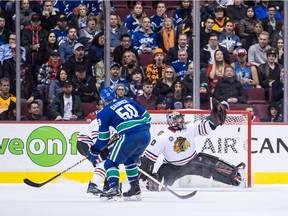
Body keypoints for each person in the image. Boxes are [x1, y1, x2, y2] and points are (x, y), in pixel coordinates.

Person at [140, 106, 246, 190]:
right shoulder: (162, 136)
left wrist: (214, 120)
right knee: (156, 184)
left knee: (213, 166)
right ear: (172, 121)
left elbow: (204, 127)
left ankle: (237, 177)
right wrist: (146, 174)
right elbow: (149, 158)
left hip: (192, 160)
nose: (181, 120)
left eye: (181, 118)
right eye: (178, 119)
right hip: (172, 166)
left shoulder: (189, 127)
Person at [86, 87, 151, 200]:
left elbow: (103, 138)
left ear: (102, 99)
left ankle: (114, 188)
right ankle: (135, 189)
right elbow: (147, 117)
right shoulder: (129, 100)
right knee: (130, 160)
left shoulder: (103, 112)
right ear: (115, 94)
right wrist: (141, 128)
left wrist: (94, 150)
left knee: (110, 164)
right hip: (145, 134)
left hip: (129, 136)